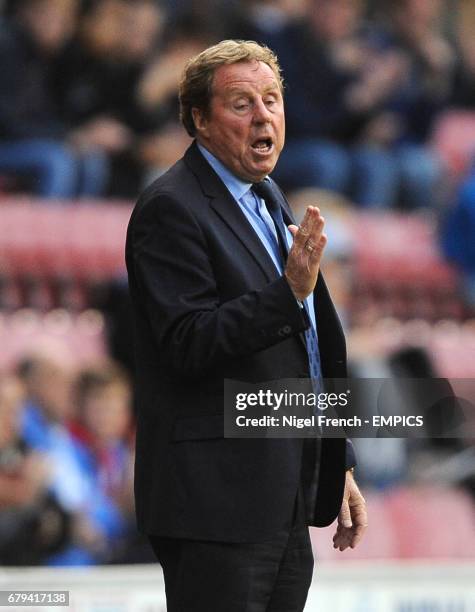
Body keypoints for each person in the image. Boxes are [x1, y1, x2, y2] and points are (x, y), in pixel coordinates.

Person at [126, 40, 367, 611]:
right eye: (241, 104)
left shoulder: (267, 196)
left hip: (281, 498)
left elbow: (299, 354)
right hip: (215, 507)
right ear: (200, 121)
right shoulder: (171, 208)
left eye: (272, 100)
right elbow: (188, 342)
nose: (263, 117)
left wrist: (339, 461)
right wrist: (289, 294)